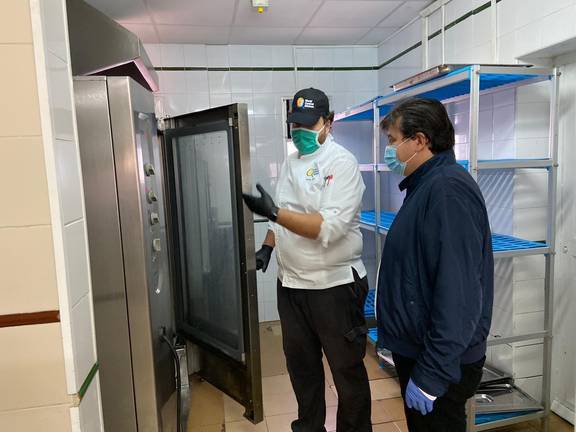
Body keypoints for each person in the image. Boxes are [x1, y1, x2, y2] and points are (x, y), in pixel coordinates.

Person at [242, 88, 372, 432]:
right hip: (291, 285)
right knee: (302, 369)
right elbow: (283, 214)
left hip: (334, 287)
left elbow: (326, 227)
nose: (299, 132)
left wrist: (274, 212)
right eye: (295, 124)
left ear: (328, 122)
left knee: (346, 372)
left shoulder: (342, 163)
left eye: (308, 124)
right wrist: (268, 247)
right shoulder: (291, 162)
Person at [376, 98, 494, 432]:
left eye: (393, 140)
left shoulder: (446, 191)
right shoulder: (426, 185)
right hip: (423, 351)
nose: (389, 150)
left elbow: (459, 295)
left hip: (438, 361)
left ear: (420, 140)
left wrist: (432, 374)